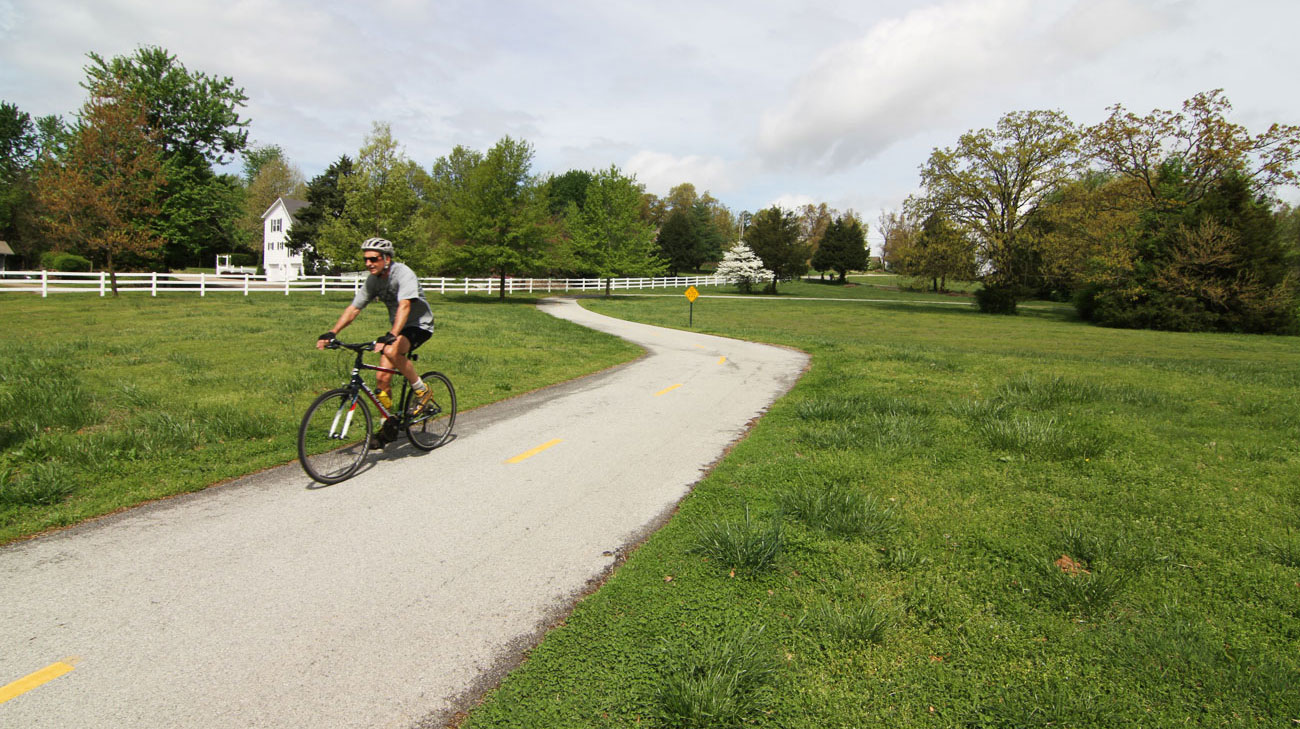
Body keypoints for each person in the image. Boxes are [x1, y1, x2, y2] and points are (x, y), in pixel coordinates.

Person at [316, 237, 436, 448]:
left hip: (419, 325)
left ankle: (421, 389)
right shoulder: (373, 280)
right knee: (381, 380)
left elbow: (405, 306)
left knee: (391, 350)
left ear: (387, 259)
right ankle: (388, 425)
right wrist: (332, 332)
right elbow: (354, 308)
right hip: (397, 328)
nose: (368, 263)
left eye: (373, 259)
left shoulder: (404, 274)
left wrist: (391, 334)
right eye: (366, 260)